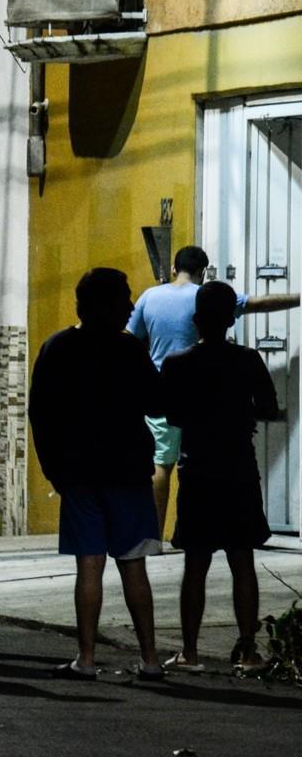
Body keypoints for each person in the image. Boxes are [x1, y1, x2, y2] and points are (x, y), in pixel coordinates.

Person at [29, 267, 164, 681]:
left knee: (89, 567)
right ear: (103, 304)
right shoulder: (129, 351)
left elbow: (41, 416)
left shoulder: (58, 348)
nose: (129, 305)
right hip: (127, 472)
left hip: (80, 474)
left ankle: (86, 659)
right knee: (134, 566)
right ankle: (150, 660)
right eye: (123, 297)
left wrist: (56, 472)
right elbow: (157, 403)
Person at [127, 245, 300, 534]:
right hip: (204, 395)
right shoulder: (209, 297)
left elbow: (131, 340)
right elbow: (259, 303)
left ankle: (153, 536)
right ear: (203, 272)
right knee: (201, 462)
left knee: (161, 464)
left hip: (165, 390)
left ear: (174, 268)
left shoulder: (149, 297)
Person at [161, 282, 280, 672]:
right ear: (232, 319)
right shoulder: (248, 360)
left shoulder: (177, 364)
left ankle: (189, 652)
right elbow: (268, 407)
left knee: (195, 563)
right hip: (239, 468)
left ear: (196, 320)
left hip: (198, 469)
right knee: (242, 560)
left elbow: (172, 415)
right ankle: (247, 653)